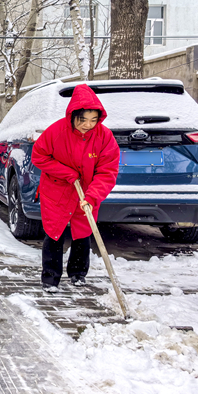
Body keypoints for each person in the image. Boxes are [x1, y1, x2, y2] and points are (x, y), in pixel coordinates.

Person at [31, 84, 120, 292]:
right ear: (73, 115)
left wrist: (93, 195)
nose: (88, 125)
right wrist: (66, 173)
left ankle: (78, 273)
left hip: (87, 191)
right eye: (83, 120)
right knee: (54, 233)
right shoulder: (56, 131)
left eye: (93, 120)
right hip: (56, 191)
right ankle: (50, 277)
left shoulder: (104, 137)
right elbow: (39, 156)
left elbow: (108, 171)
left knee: (83, 231)